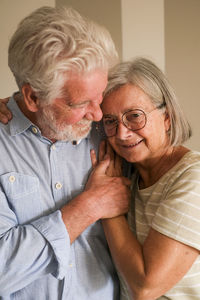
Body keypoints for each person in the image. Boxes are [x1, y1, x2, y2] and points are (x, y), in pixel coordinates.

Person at [0, 6, 131, 299]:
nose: (98, 115)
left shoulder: (111, 131)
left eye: (100, 95)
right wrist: (92, 205)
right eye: (80, 103)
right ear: (33, 97)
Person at [89, 57, 200, 299]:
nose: (122, 133)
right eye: (110, 121)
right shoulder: (129, 171)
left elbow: (145, 287)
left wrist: (108, 205)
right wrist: (12, 106)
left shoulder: (194, 179)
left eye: (134, 116)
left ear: (167, 117)